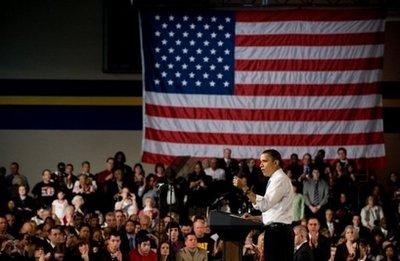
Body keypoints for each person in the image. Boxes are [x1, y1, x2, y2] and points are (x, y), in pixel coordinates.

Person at [233, 149, 294, 261]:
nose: (260, 165)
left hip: (278, 234)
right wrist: (254, 218)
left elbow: (265, 205)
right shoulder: (275, 179)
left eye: (264, 161)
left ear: (276, 163)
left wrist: (244, 187)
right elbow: (275, 212)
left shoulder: (279, 179)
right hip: (279, 232)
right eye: (260, 161)